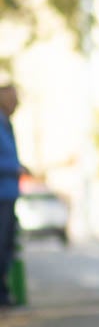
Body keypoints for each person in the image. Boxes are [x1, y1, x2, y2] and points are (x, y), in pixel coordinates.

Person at [0, 83, 25, 307]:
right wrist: (13, 168)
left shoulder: (7, 124)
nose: (17, 102)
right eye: (12, 98)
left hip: (9, 193)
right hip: (2, 194)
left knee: (7, 244)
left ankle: (4, 292)